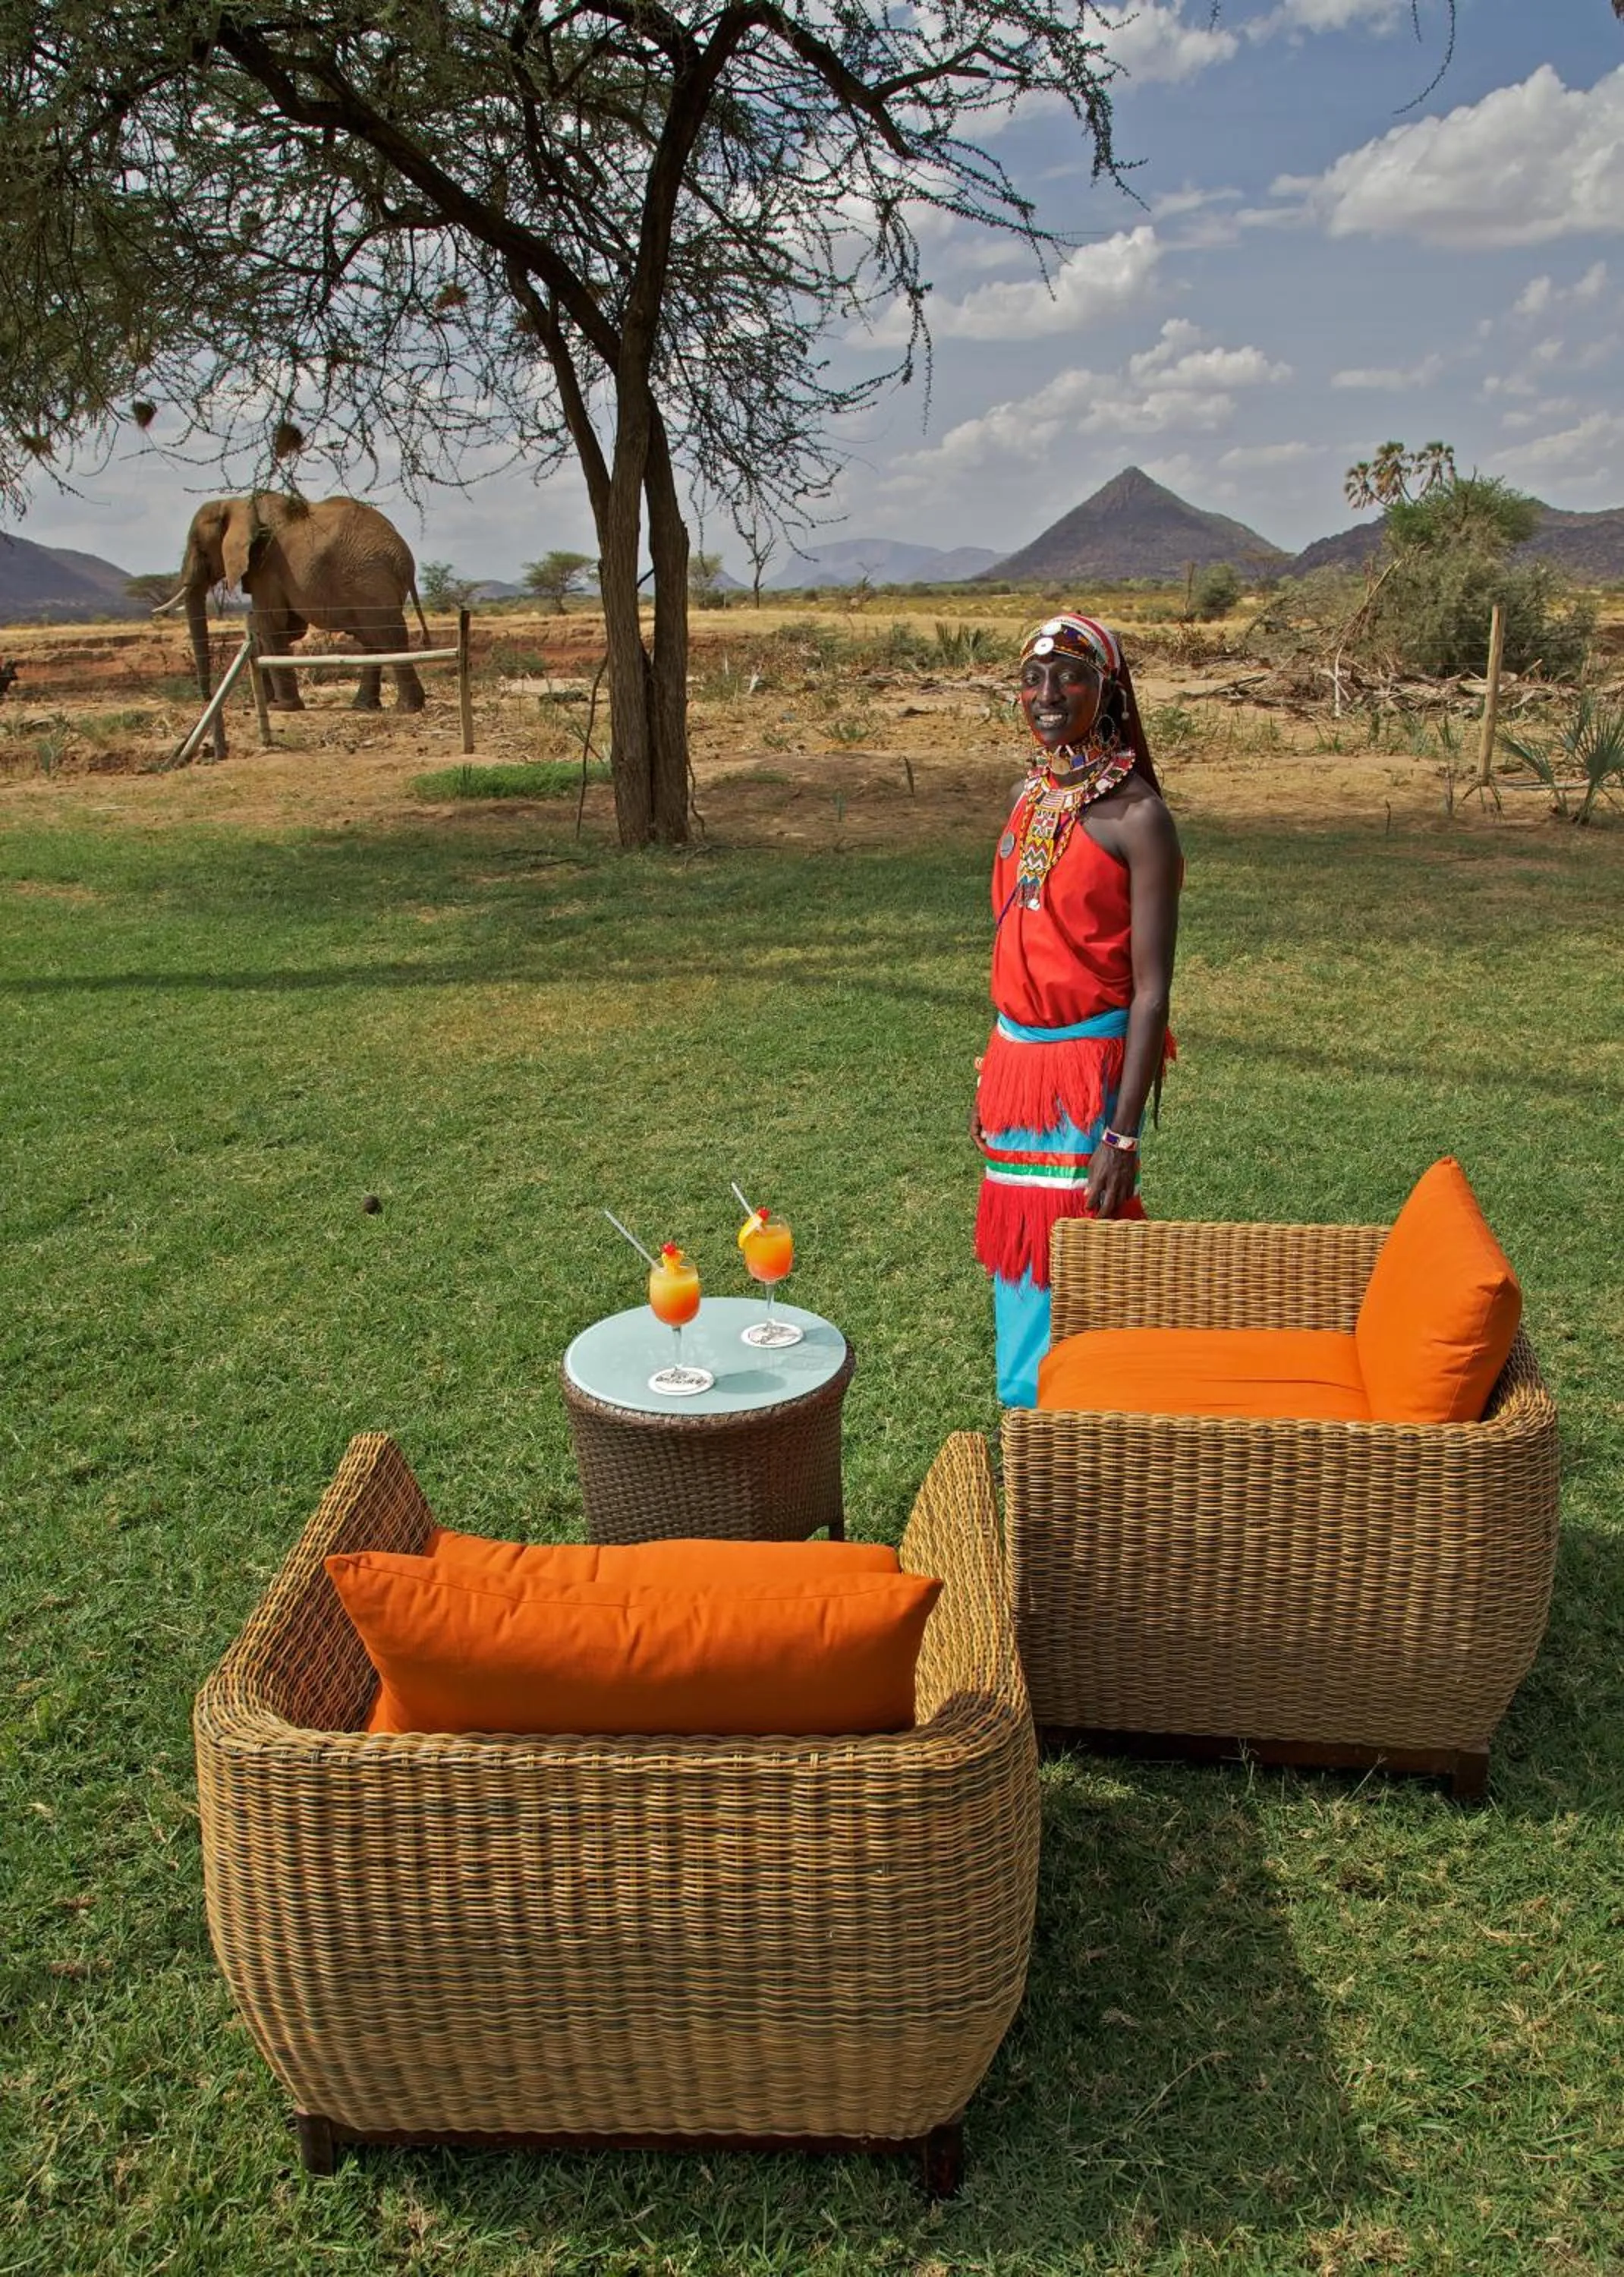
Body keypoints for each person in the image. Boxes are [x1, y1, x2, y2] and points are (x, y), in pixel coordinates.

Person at [973, 611, 1182, 1406]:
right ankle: (1039, 1427)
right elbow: (1013, 952)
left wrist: (1121, 1133)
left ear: (1109, 690)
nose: (1047, 693)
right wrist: (992, 1072)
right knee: (1020, 1260)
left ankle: (1074, 1424)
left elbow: (1152, 992)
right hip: (1017, 1067)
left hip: (1086, 1075)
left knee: (1078, 1251)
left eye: (1070, 675)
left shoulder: (1138, 819)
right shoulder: (1027, 798)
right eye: (1031, 677)